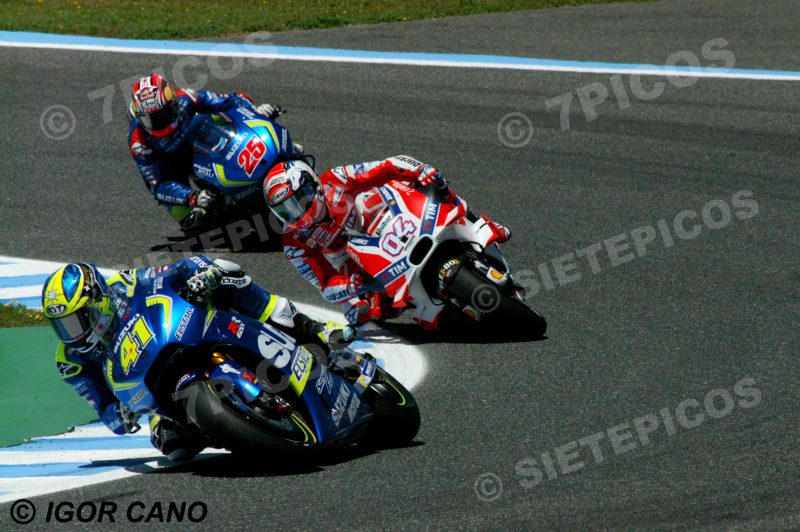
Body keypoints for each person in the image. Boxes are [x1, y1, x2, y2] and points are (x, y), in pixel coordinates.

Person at [42, 257, 354, 461]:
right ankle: (239, 428)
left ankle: (312, 329)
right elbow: (105, 410)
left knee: (228, 276)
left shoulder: (124, 284)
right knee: (173, 447)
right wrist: (119, 415)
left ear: (98, 300)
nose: (74, 334)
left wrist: (199, 274)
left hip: (179, 333)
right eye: (63, 327)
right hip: (148, 392)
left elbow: (175, 269)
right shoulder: (71, 360)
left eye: (77, 320)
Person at [262, 155, 511, 327]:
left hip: (381, 218)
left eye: (298, 201)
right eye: (285, 211)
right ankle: (441, 308)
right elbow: (324, 284)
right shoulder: (294, 243)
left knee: (427, 186)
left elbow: (386, 166)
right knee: (364, 312)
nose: (296, 213)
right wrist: (352, 286)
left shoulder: (335, 179)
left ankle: (476, 223)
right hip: (355, 263)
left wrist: (420, 170)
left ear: (311, 185)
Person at [128, 73, 282, 231]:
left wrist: (255, 112)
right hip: (170, 165)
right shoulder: (139, 143)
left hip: (200, 143)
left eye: (162, 114)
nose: (159, 122)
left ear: (172, 103)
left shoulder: (186, 98)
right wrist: (192, 197)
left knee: (216, 118)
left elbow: (227, 101)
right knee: (193, 226)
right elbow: (157, 185)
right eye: (150, 119)